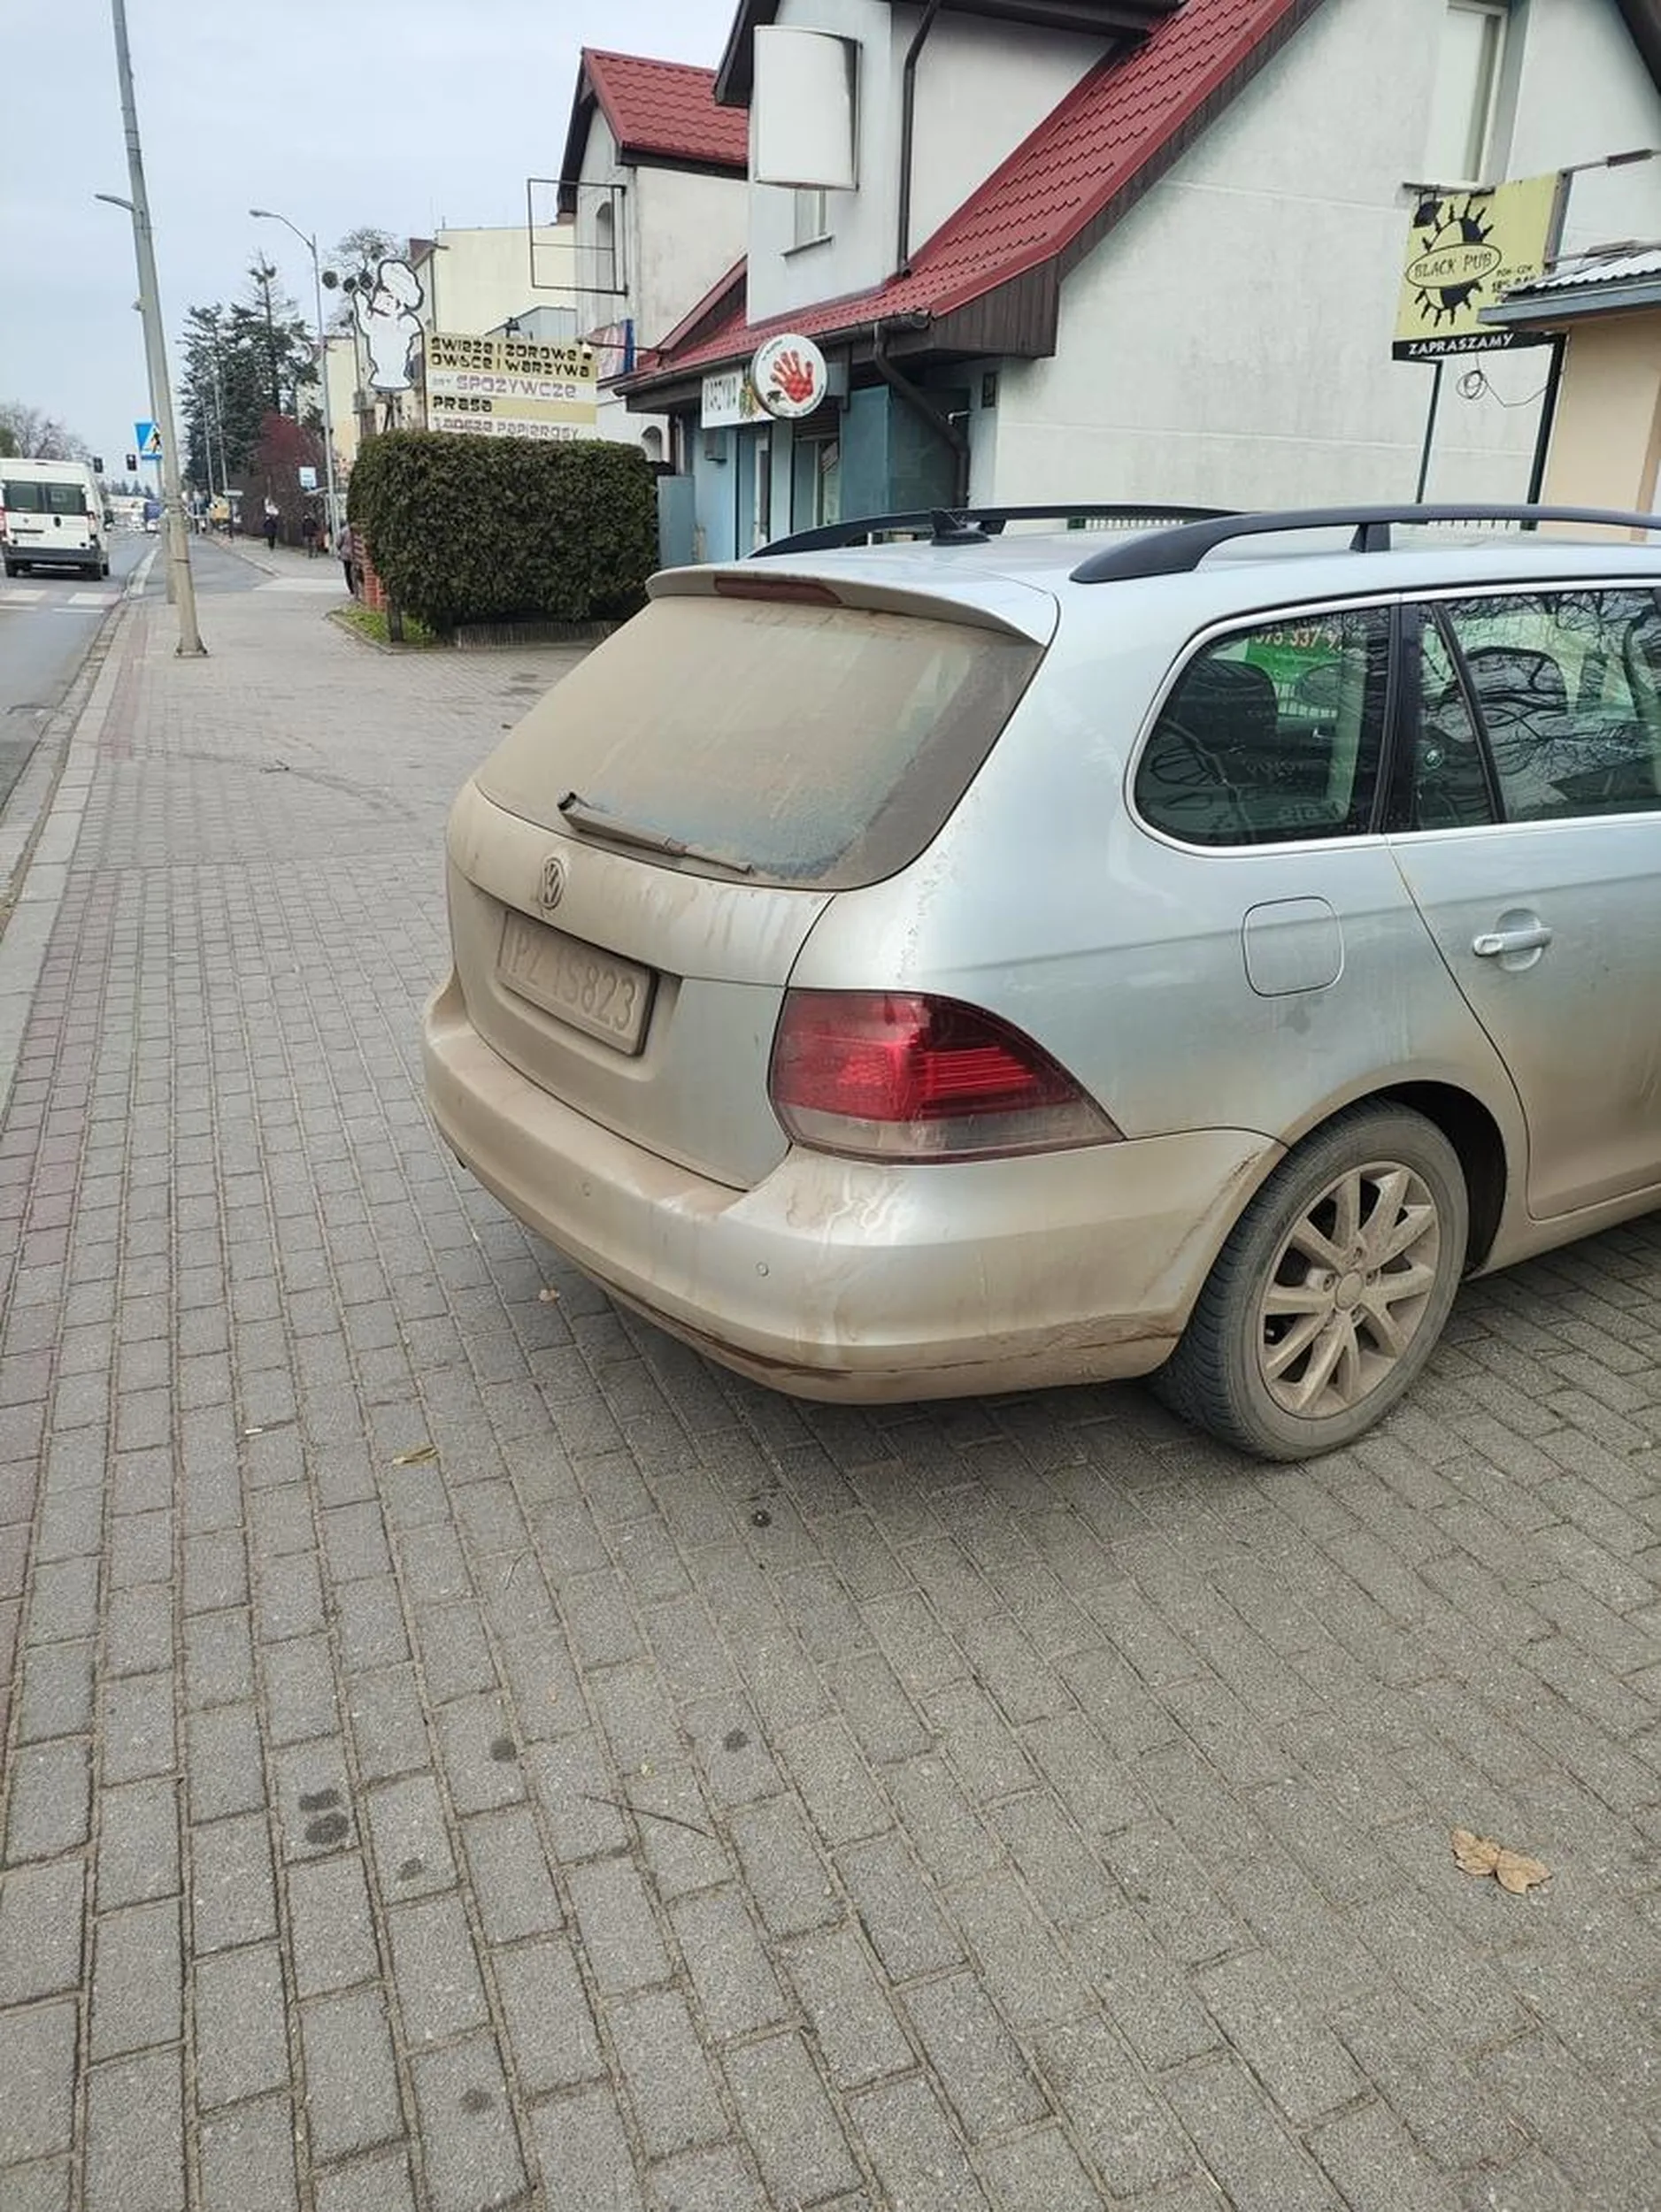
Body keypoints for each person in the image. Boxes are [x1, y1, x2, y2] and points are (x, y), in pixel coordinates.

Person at [337, 518, 355, 595]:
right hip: (354, 553)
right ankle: (355, 587)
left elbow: (338, 543)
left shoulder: (343, 531)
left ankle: (351, 588)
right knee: (354, 570)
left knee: (347, 571)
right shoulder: (354, 531)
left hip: (345, 554)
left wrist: (340, 549)